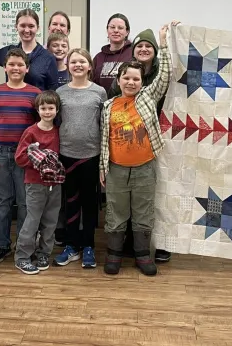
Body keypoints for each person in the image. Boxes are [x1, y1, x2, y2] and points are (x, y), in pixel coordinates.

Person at [100, 21, 177, 276]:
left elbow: (164, 75)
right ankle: (114, 255)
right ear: (119, 80)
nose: (131, 82)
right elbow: (104, 140)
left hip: (145, 167)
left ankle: (143, 255)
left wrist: (163, 43)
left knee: (143, 211)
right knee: (116, 212)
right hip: (116, 169)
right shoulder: (109, 106)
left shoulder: (147, 97)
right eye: (127, 78)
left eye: (136, 78)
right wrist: (103, 168)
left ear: (142, 82)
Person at [0, 48, 41, 263]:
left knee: (25, 203)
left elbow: (40, 127)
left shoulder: (35, 93)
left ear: (27, 68)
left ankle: (24, 245)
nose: (16, 68)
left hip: (25, 156)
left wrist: (35, 153)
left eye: (20, 65)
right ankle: (2, 244)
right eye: (12, 64)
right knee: (3, 202)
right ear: (5, 67)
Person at [54, 48, 107, 269]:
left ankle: (88, 247)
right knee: (70, 202)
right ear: (68, 66)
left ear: (89, 66)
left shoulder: (100, 92)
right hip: (66, 155)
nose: (77, 65)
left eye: (82, 61)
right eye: (73, 61)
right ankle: (72, 246)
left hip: (91, 156)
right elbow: (55, 123)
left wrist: (104, 160)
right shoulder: (60, 92)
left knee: (89, 203)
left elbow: (104, 126)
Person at [13, 91, 66, 274]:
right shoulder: (31, 132)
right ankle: (22, 257)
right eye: (43, 108)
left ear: (57, 110)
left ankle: (44, 253)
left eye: (51, 108)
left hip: (55, 184)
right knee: (32, 221)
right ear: (37, 110)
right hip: (35, 184)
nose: (47, 112)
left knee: (50, 221)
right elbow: (20, 158)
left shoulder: (59, 132)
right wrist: (41, 162)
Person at [0, 9, 58, 91]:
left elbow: (53, 92)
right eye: (23, 26)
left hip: (37, 103)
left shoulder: (48, 58)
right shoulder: (7, 52)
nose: (27, 30)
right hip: (11, 102)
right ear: (16, 26)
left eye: (31, 26)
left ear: (37, 28)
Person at [93, 14, 132, 94]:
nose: (116, 30)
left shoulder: (133, 54)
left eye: (120, 28)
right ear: (107, 30)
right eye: (112, 27)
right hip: (102, 104)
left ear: (127, 32)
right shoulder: (98, 58)